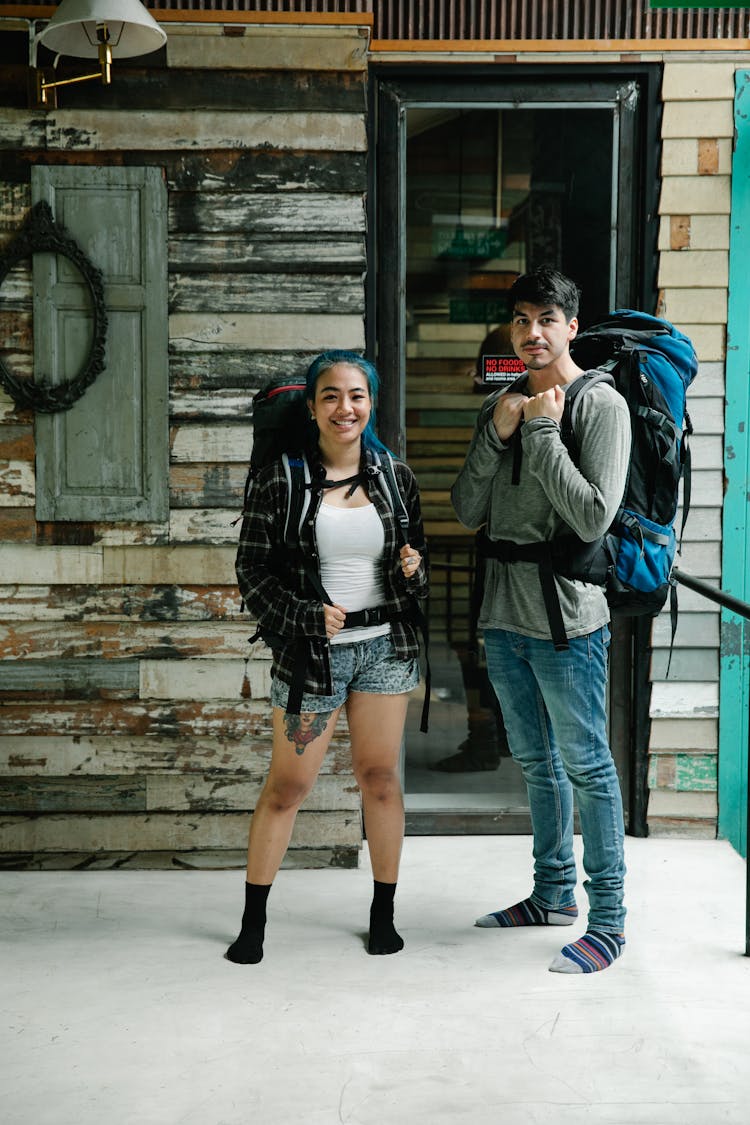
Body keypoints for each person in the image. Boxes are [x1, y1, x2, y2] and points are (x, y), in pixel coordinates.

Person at [451, 267, 631, 974]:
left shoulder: (600, 405)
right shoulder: (501, 404)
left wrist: (543, 431)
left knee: (588, 766)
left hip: (569, 623)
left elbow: (592, 514)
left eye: (546, 318)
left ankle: (609, 922)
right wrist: (500, 433)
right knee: (535, 762)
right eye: (522, 319)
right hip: (503, 616)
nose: (532, 332)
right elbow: (468, 510)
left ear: (572, 326)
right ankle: (553, 894)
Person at [228, 350, 428, 965]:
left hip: (383, 650)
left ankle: (383, 913)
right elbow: (252, 572)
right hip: (311, 656)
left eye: (358, 396)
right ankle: (253, 923)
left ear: (371, 403)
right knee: (288, 787)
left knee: (381, 780)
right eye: (333, 396)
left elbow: (411, 570)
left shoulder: (394, 476)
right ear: (312, 406)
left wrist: (412, 574)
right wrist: (303, 616)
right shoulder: (281, 480)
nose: (347, 408)